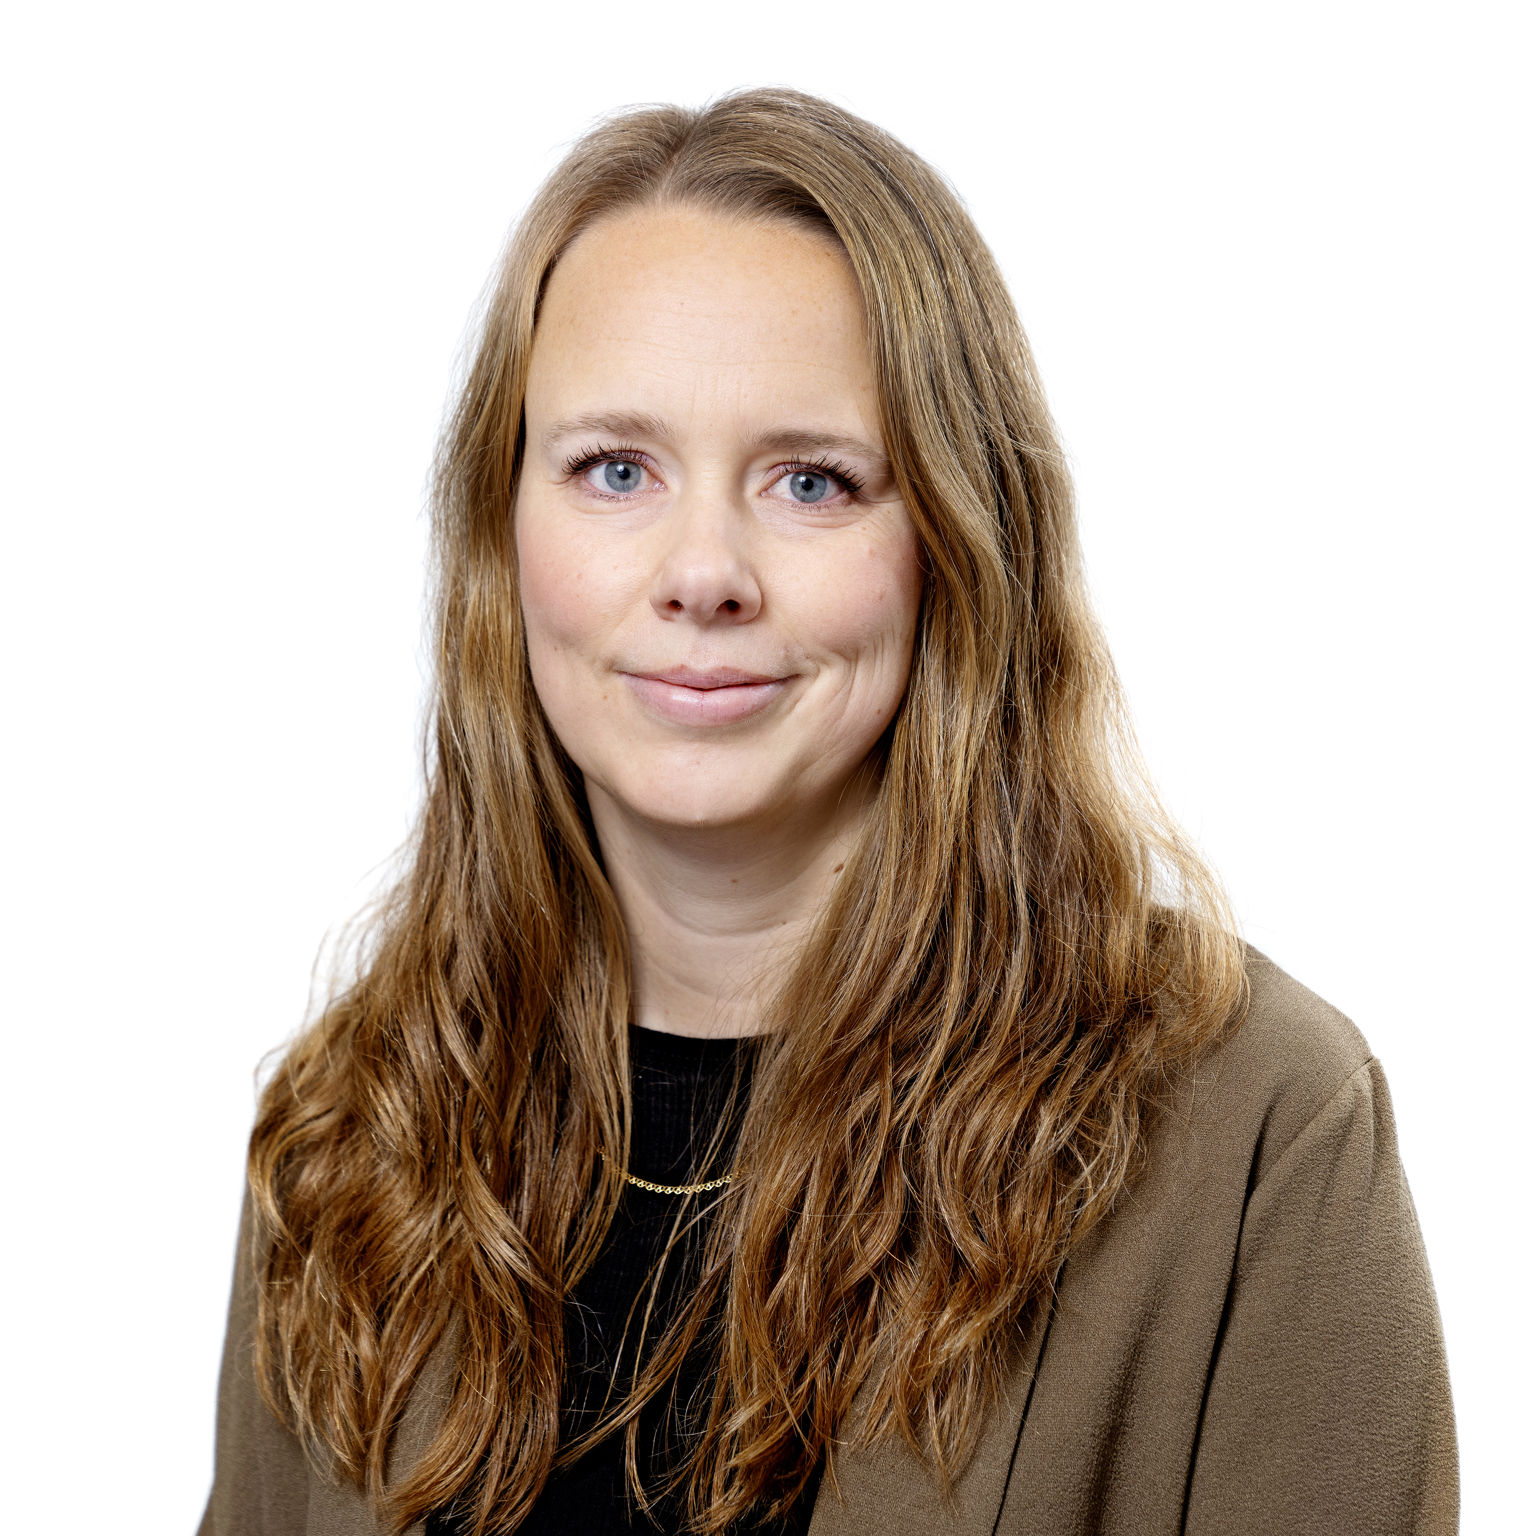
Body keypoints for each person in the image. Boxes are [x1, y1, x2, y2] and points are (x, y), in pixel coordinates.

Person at [200, 87, 1457, 1536]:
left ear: (957, 543)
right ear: (504, 529)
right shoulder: (352, 1133)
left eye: (811, 481)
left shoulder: (1255, 1132)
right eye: (617, 470)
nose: (704, 574)